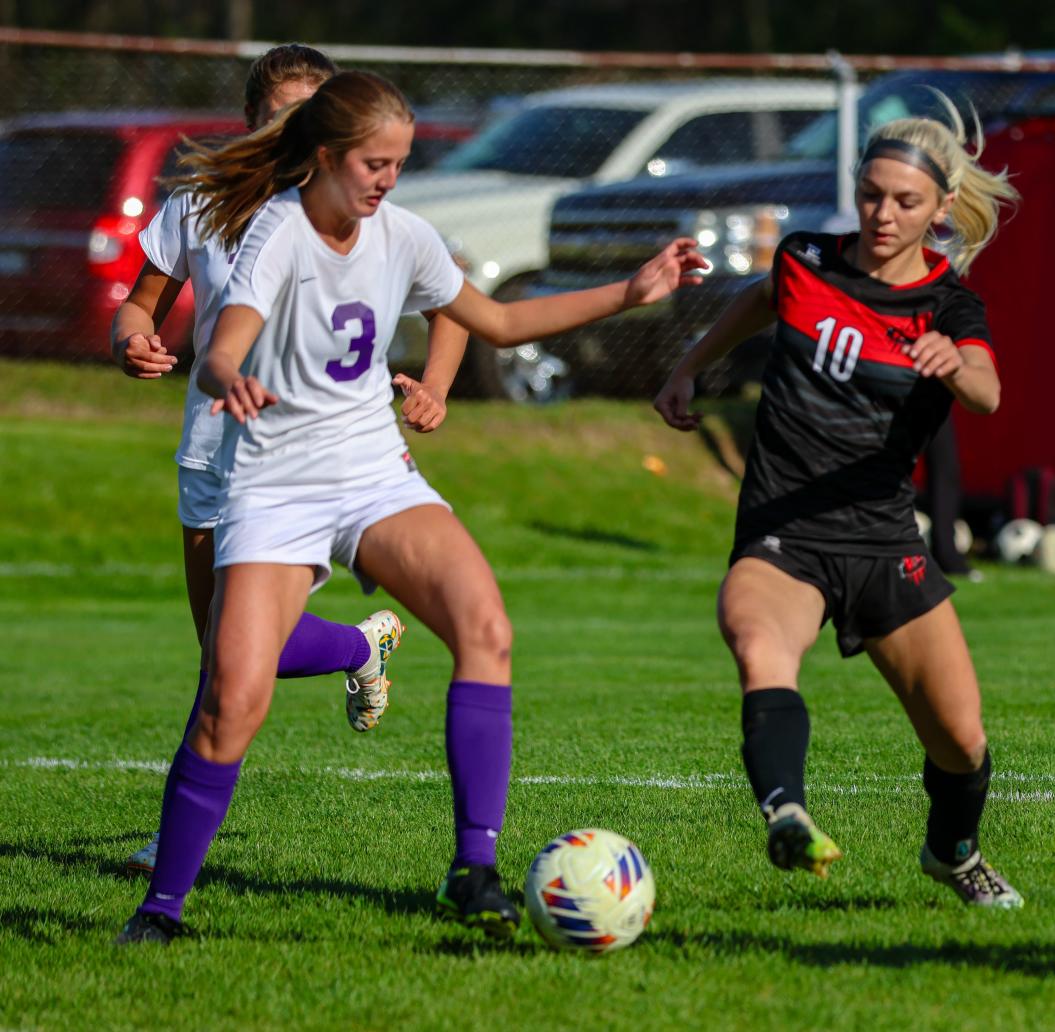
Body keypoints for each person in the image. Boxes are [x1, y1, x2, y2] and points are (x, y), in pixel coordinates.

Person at [115, 69, 706, 945]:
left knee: (485, 626)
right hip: (272, 485)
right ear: (324, 157)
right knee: (232, 699)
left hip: (371, 472)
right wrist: (227, 376)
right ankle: (161, 911)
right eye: (374, 163)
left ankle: (474, 871)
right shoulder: (275, 231)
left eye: (399, 162)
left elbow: (495, 323)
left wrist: (631, 290)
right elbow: (219, 347)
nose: (389, 179)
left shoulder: (403, 234)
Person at [110, 45, 471, 879]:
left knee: (229, 675)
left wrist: (436, 389)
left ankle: (172, 860)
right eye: (285, 115)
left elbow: (454, 303)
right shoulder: (202, 203)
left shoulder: (359, 213)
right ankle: (357, 648)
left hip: (308, 467)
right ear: (254, 121)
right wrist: (131, 340)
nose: (299, 131)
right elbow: (141, 302)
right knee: (223, 656)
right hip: (211, 459)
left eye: (314, 114)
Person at [654, 96, 1024, 908]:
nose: (882, 214)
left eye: (905, 202)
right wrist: (690, 364)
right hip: (783, 530)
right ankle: (785, 812)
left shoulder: (949, 304)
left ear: (938, 211)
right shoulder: (805, 260)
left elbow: (989, 393)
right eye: (871, 194)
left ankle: (952, 855)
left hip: (884, 538)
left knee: (962, 742)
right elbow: (758, 296)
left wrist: (952, 365)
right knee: (760, 648)